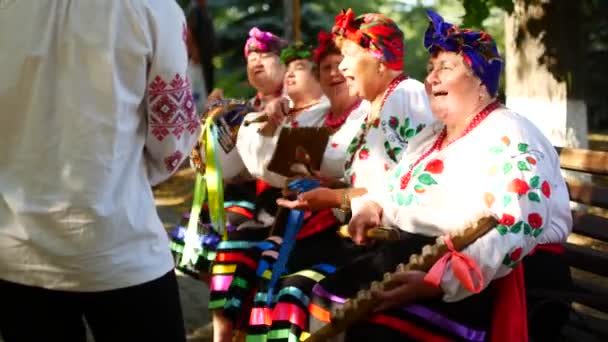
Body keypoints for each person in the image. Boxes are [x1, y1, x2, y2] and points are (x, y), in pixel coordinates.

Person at [304, 9, 572, 341]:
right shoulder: (432, 135)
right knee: (326, 296)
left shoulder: (510, 134)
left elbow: (517, 221)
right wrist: (375, 206)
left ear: (481, 79)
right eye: (431, 69)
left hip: (505, 274)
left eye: (445, 68)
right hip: (433, 255)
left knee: (373, 327)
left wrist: (441, 282)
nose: (431, 78)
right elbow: (396, 187)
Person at [0, 1, 198, 341]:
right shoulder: (152, 8)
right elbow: (173, 142)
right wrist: (121, 177)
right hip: (122, 248)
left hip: (16, 253)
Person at [276, 8, 434, 213]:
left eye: (348, 55)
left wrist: (337, 197)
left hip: (404, 242)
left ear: (380, 60)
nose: (341, 67)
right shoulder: (374, 106)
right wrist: (330, 186)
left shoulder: (407, 96)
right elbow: (379, 182)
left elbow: (421, 184)